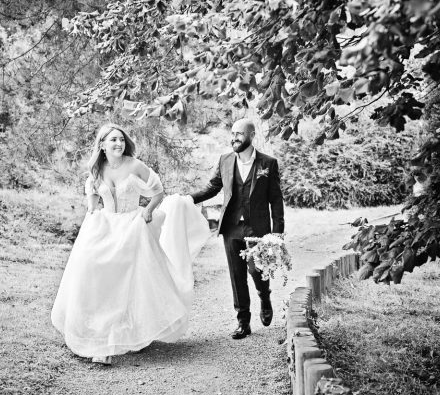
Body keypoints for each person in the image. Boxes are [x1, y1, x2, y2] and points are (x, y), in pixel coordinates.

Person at [51, 124, 210, 365]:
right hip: (106, 226)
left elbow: (158, 191)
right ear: (102, 144)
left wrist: (148, 210)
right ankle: (99, 338)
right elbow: (92, 200)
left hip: (133, 226)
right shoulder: (96, 169)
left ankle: (132, 333)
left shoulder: (135, 165)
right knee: (94, 274)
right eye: (113, 140)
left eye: (122, 140)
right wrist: (93, 211)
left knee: (131, 280)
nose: (119, 144)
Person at [190, 118, 285, 339]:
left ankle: (264, 296)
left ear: (252, 136)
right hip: (231, 227)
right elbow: (213, 187)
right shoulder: (225, 160)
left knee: (256, 269)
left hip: (258, 227)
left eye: (239, 134)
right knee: (237, 275)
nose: (234, 137)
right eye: (232, 133)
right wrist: (188, 198)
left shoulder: (268, 163)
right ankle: (243, 322)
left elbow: (276, 199)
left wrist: (277, 231)